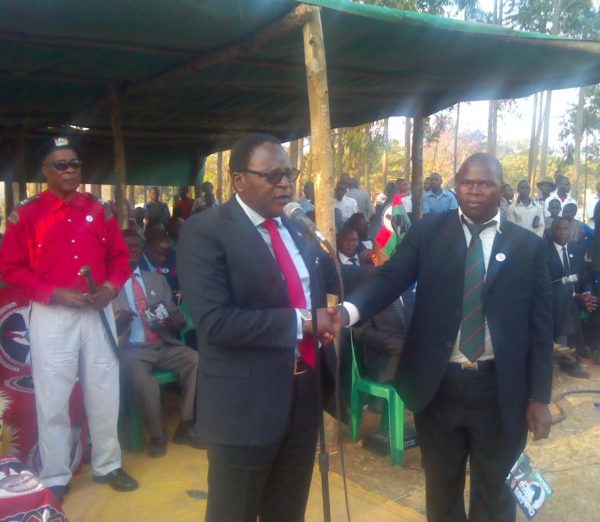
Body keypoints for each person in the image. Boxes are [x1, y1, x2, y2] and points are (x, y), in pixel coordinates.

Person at [338, 152, 553, 522]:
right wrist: (347, 311)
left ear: (500, 189)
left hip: (500, 390)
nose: (474, 191)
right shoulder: (429, 232)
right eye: (467, 182)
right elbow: (390, 279)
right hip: (439, 388)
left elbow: (540, 327)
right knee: (441, 490)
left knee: (495, 493)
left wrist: (539, 397)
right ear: (456, 185)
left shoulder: (528, 247)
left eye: (485, 183)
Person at [177, 133, 340, 522]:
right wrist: (304, 322)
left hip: (302, 395)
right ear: (238, 180)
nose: (284, 183)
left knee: (288, 511)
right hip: (244, 406)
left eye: (289, 174)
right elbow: (215, 323)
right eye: (272, 175)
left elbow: (322, 282)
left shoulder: (296, 228)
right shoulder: (205, 231)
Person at [0, 136, 138, 502]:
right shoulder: (27, 214)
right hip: (52, 315)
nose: (69, 170)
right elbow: (10, 269)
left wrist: (110, 287)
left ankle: (109, 464)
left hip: (97, 311)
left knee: (105, 390)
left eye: (74, 163)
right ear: (45, 171)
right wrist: (53, 293)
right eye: (60, 164)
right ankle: (56, 473)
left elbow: (121, 259)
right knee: (54, 396)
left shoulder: (99, 209)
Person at [113, 231, 200, 457]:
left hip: (162, 342)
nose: (132, 249)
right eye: (127, 245)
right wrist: (118, 324)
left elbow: (171, 311)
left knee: (196, 360)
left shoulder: (156, 280)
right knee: (144, 381)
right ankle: (157, 434)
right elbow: (104, 327)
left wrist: (177, 318)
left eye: (136, 246)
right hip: (132, 348)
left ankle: (186, 423)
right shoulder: (109, 286)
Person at [546, 217, 596, 378]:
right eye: (558, 229)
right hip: (553, 297)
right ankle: (569, 358)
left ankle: (593, 346)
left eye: (565, 229)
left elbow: (584, 277)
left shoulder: (576, 249)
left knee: (594, 300)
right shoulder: (544, 251)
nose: (562, 232)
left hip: (577, 296)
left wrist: (587, 293)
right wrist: (575, 294)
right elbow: (551, 281)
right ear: (552, 231)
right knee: (565, 297)